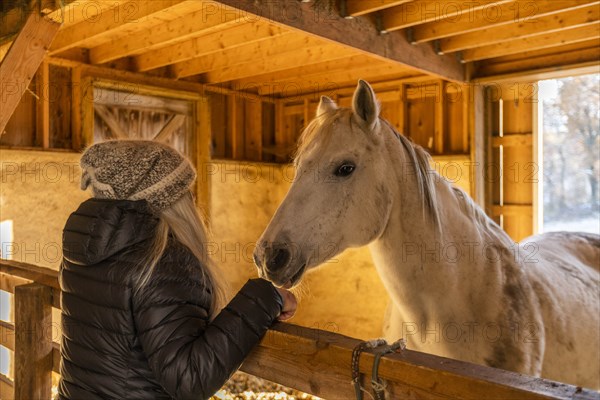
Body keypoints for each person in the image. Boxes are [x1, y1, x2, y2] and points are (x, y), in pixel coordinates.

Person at [58, 140, 296, 399]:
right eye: (186, 191)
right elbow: (188, 378)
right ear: (169, 199)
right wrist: (265, 298)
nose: (192, 199)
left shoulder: (84, 251)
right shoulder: (164, 260)